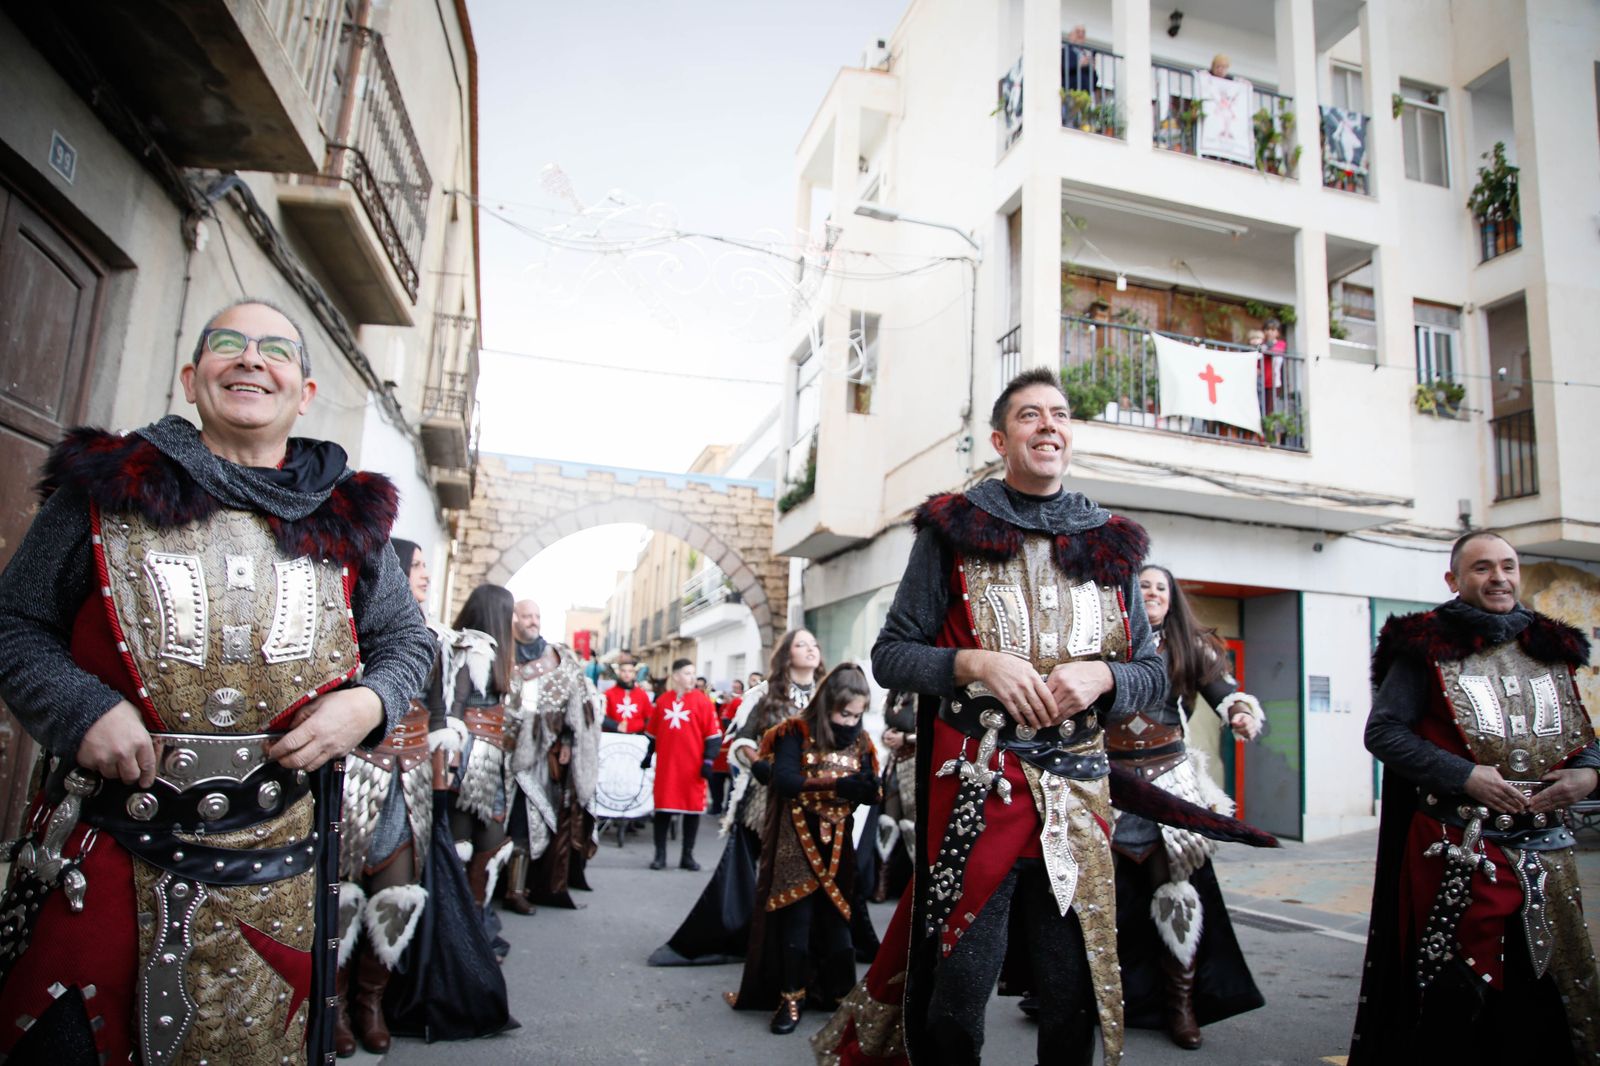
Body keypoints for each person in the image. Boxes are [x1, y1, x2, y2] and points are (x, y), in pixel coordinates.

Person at [0, 299, 435, 1064]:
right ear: (191, 376)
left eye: (275, 350)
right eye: (228, 344)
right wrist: (80, 709)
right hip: (104, 850)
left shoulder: (347, 517)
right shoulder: (107, 487)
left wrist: (368, 704)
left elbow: (407, 642)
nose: (250, 359)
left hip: (277, 872)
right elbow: (15, 623)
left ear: (304, 393)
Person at [813, 367, 1166, 1066]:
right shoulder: (953, 529)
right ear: (1001, 440)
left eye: (1059, 414)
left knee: (1071, 989)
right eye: (1030, 415)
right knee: (961, 981)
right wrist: (975, 664)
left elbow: (1152, 675)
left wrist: (1103, 675)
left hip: (1077, 792)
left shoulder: (1111, 543)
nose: (1048, 425)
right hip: (978, 786)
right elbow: (891, 656)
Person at [1350, 531, 1600, 1063]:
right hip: (1460, 850)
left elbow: (1582, 738)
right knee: (1459, 994)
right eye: (1482, 568)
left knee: (1550, 992)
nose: (1498, 578)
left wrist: (1589, 776)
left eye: (1507, 566)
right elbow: (1385, 732)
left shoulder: (1550, 645)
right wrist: (1464, 776)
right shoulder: (1424, 645)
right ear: (1454, 580)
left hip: (1548, 852)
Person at [1107, 564, 1265, 1049]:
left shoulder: (1191, 647)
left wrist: (1241, 713)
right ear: (1129, 593)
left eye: (1161, 587)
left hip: (1169, 780)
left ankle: (1181, 1007)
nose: (1153, 593)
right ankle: (1097, 999)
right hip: (1106, 779)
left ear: (1172, 599)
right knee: (1097, 894)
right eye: (1144, 586)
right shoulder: (1104, 639)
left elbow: (1226, 693)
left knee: (1175, 890)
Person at [333, 538, 465, 1055]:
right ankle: (334, 1006)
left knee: (397, 897)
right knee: (340, 895)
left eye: (427, 565)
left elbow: (438, 713)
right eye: (417, 565)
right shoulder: (352, 621)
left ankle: (371, 1003)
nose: (426, 574)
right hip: (355, 772)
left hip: (408, 780)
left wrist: (440, 777)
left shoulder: (433, 637)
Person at [647, 630, 825, 965]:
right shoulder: (764, 695)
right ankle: (744, 937)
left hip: (815, 798)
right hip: (765, 797)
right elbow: (742, 740)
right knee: (750, 870)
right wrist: (758, 763)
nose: (810, 649)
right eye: (801, 644)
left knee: (809, 872)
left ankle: (799, 944)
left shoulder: (827, 696)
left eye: (814, 644)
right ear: (786, 654)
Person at [726, 665, 880, 1034]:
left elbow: (871, 786)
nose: (850, 722)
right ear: (828, 705)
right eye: (844, 714)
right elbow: (785, 781)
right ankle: (790, 998)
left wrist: (867, 790)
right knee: (797, 919)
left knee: (838, 923)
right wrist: (839, 786)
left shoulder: (862, 741)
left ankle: (840, 995)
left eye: (857, 715)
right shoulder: (794, 732)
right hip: (795, 838)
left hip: (838, 843)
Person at [506, 598, 601, 911]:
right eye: (526, 616)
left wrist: (569, 742)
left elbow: (578, 705)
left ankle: (518, 889)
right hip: (498, 751)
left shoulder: (558, 659)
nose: (533, 621)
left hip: (541, 757)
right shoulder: (500, 653)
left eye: (536, 616)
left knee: (527, 823)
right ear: (514, 619)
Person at [443, 585, 518, 916]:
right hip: (468, 759)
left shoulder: (492, 652)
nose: (514, 621)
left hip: (487, 758)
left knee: (486, 843)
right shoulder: (472, 648)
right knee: (462, 844)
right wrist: (452, 761)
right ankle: (459, 925)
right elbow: (455, 706)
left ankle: (472, 922)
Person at [642, 658, 722, 870]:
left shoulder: (703, 702)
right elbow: (653, 734)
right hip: (667, 767)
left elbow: (713, 736)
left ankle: (687, 856)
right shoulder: (663, 701)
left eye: (693, 673)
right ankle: (660, 856)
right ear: (676, 676)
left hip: (692, 768)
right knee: (663, 810)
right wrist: (648, 755)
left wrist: (708, 761)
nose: (692, 678)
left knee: (692, 810)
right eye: (687, 673)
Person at [873, 690, 919, 904]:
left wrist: (905, 738)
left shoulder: (922, 695)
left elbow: (932, 733)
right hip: (894, 764)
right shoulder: (894, 694)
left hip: (915, 767)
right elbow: (887, 728)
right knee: (887, 823)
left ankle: (916, 887)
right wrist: (888, 737)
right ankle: (882, 884)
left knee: (912, 826)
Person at [603, 654, 652, 734]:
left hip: (636, 736)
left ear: (634, 674)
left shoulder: (642, 694)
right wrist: (615, 726)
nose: (627, 674)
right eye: (624, 671)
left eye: (630, 671)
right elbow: (602, 717)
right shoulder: (609, 693)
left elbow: (648, 717)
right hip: (614, 735)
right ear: (619, 672)